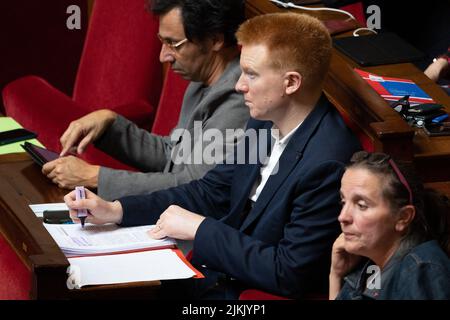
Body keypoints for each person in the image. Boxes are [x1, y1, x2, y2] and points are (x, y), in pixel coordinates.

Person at [64, 12, 361, 299]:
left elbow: (287, 272)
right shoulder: (263, 120)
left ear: (291, 83)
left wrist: (200, 229)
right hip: (215, 274)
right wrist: (116, 210)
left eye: (251, 75)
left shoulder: (328, 162)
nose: (238, 85)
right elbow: (211, 191)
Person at [43, 0, 249, 200]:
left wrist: (94, 177)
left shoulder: (240, 98)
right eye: (163, 42)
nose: (163, 56)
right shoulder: (202, 80)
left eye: (173, 44)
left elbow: (194, 186)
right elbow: (173, 155)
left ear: (215, 40)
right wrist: (109, 123)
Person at [330, 151, 450, 300]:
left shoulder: (422, 272)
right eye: (343, 202)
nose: (342, 217)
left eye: (361, 205)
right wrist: (336, 275)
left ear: (403, 217)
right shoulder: (373, 266)